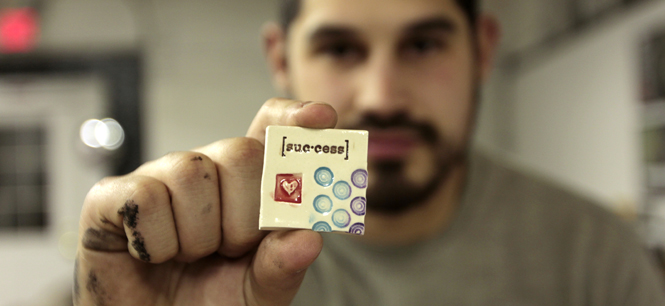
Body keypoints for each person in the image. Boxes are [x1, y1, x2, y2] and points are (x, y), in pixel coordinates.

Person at [74, 0, 665, 305]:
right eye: (340, 49)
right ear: (281, 58)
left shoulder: (595, 255)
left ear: (483, 53)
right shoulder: (176, 260)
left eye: (424, 44)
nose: (382, 97)